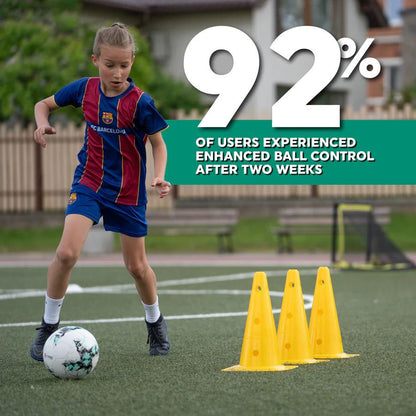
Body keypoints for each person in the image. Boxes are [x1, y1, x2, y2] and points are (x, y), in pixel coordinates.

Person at [30, 23, 171, 359]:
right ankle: (48, 327)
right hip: (89, 183)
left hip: (128, 193)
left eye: (124, 65)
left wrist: (160, 176)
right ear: (95, 60)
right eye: (110, 65)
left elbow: (159, 145)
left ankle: (155, 323)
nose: (117, 72)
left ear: (132, 62)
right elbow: (42, 104)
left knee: (137, 267)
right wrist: (40, 122)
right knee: (66, 254)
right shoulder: (84, 90)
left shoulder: (141, 103)